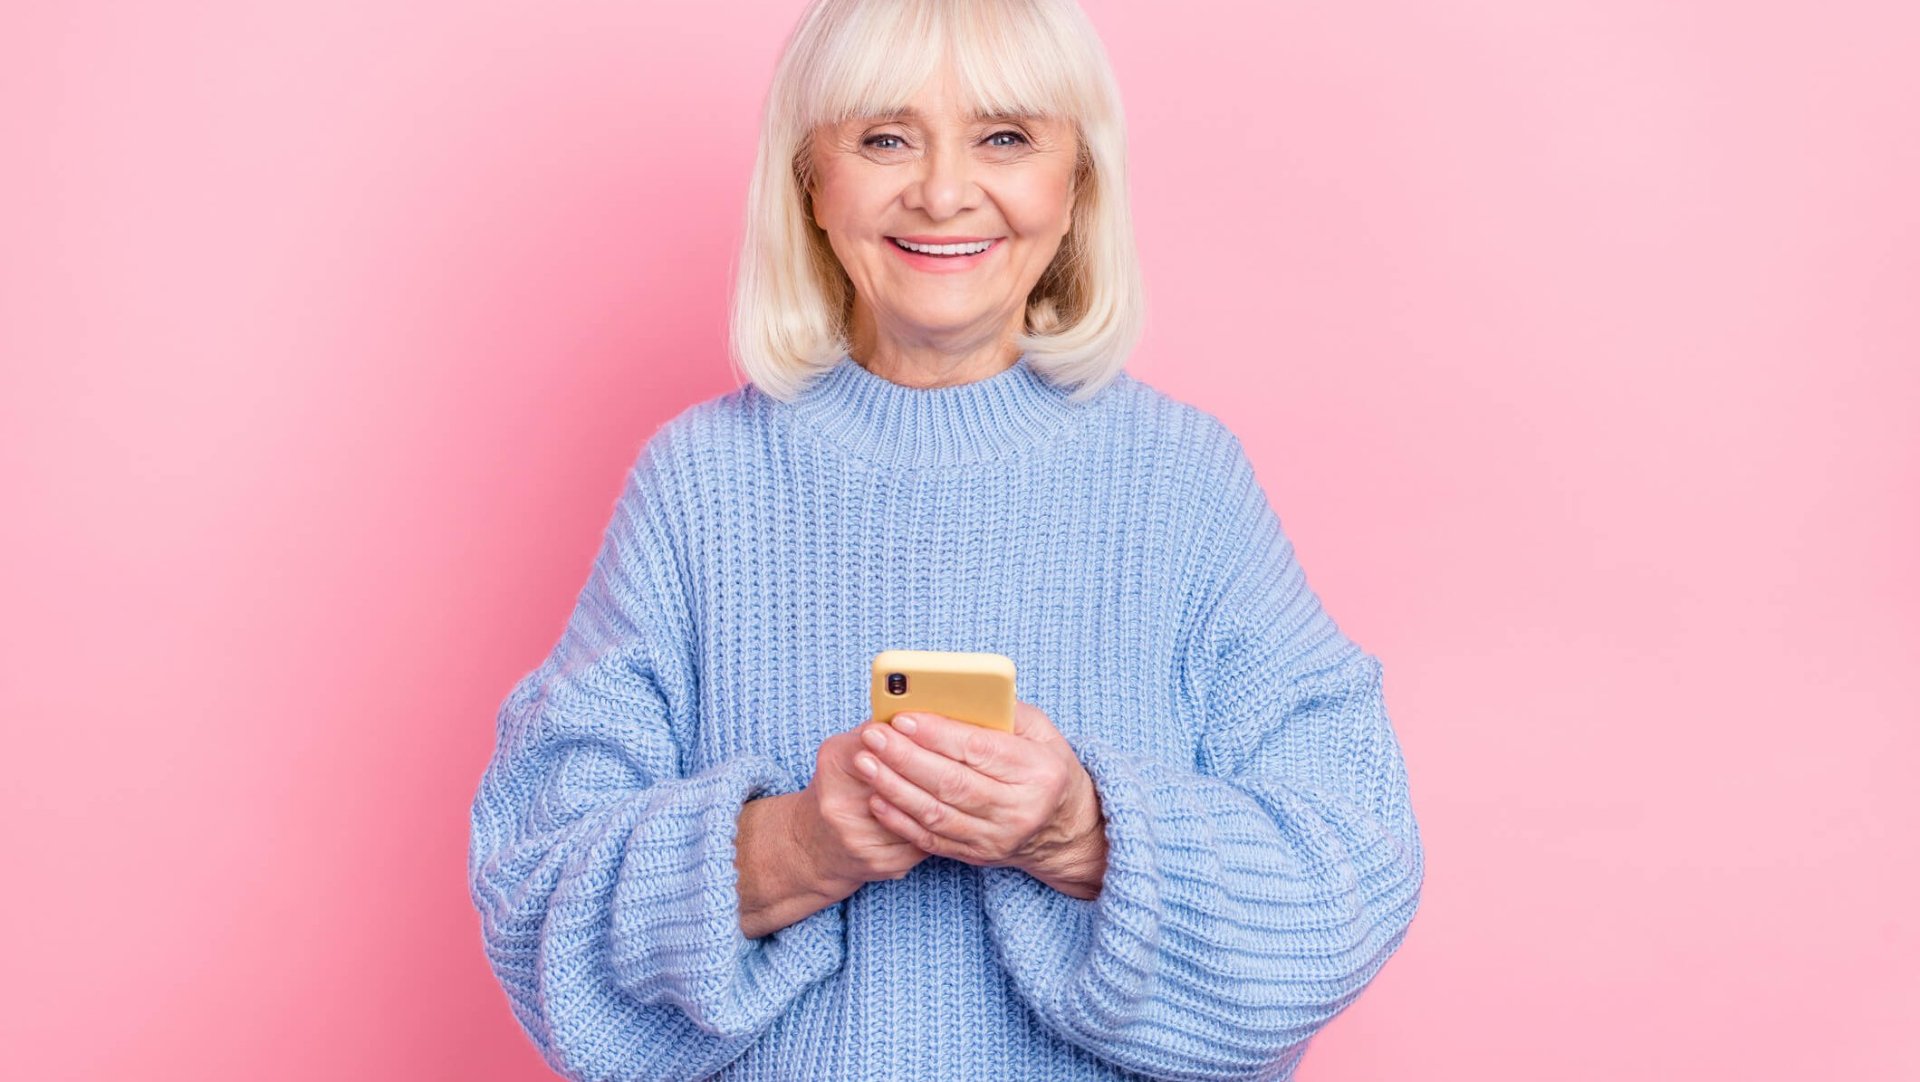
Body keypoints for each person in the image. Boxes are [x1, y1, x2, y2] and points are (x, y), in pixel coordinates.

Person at [465, 1, 1424, 1079]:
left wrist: (1082, 831)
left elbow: (1349, 870)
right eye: (884, 137)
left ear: (1077, 185)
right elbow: (533, 889)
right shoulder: (700, 486)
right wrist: (799, 844)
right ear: (809, 184)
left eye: (1006, 137)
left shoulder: (1186, 484)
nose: (943, 189)